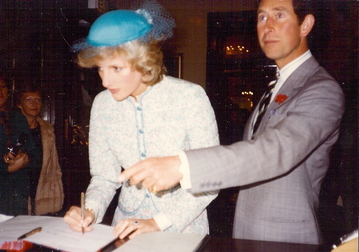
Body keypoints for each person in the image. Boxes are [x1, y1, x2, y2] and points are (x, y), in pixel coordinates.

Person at [119, 0, 345, 245]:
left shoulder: (322, 90)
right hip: (248, 232)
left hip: (286, 239)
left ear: (306, 25)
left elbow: (275, 151)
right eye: (261, 17)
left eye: (279, 16)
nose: (267, 26)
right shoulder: (277, 85)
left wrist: (182, 166)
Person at [63, 0, 219, 240]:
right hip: (125, 227)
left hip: (182, 228)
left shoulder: (190, 97)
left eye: (116, 68)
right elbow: (105, 177)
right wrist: (90, 210)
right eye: (100, 69)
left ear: (143, 60)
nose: (105, 81)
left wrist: (157, 223)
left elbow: (209, 177)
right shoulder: (103, 104)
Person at [0, 69, 38, 216]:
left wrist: (25, 159)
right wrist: (6, 169)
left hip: (17, 193)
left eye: (3, 86)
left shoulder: (18, 118)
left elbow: (34, 153)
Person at [16, 85, 64, 216]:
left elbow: (54, 164)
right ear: (19, 104)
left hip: (41, 184)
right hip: (20, 185)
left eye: (37, 100)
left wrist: (56, 195)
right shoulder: (12, 127)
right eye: (29, 100)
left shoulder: (47, 128)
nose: (34, 104)